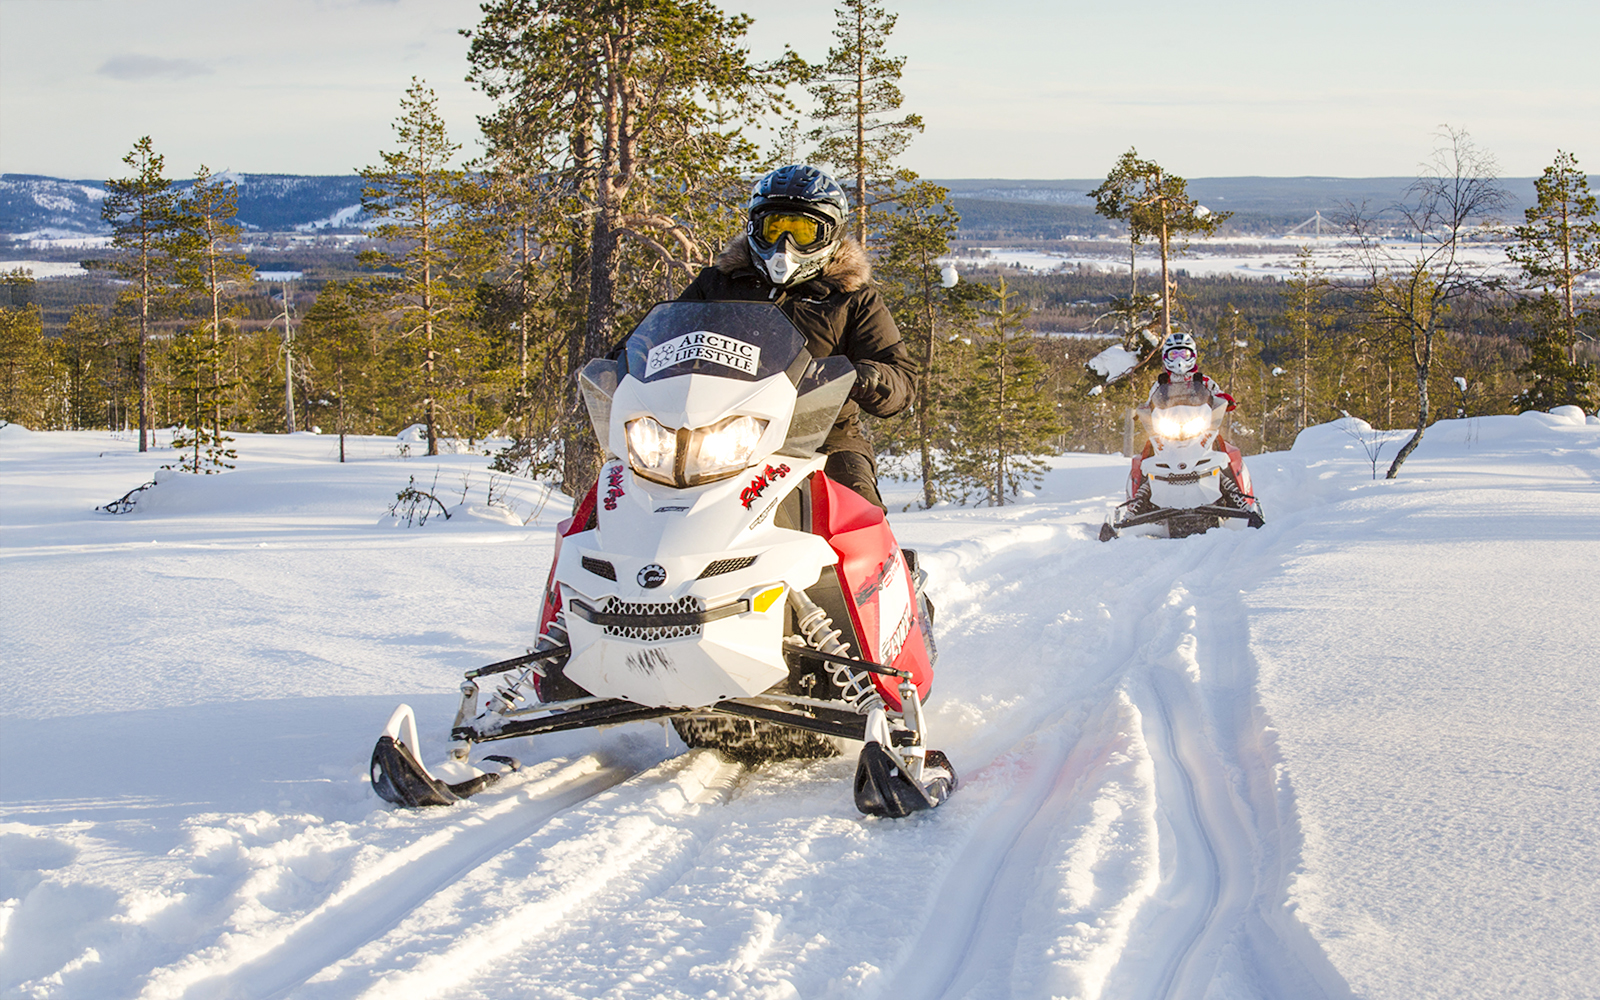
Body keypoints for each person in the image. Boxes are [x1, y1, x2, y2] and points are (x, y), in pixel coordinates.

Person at [675, 164, 915, 511]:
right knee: (623, 493)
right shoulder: (717, 284)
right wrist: (622, 363)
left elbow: (901, 378)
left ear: (829, 234)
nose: (783, 244)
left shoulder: (851, 298)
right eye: (774, 228)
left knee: (856, 515)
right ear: (754, 227)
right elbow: (651, 340)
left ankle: (877, 565)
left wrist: (869, 377)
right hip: (714, 432)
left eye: (802, 231)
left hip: (821, 437)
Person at [1128, 331, 1258, 515]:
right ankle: (1137, 505)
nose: (1179, 359)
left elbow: (1217, 394)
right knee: (1146, 455)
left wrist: (1225, 400)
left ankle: (1238, 498)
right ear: (1166, 357)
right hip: (1169, 428)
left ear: (1192, 355)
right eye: (1174, 354)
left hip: (1198, 427)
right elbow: (1151, 402)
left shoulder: (1202, 380)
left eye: (1184, 354)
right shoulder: (1160, 384)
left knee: (1224, 450)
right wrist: (1142, 410)